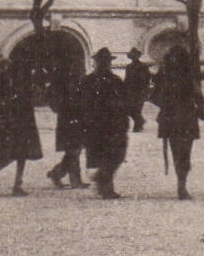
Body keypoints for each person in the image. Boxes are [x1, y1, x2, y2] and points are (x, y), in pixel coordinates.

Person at [0, 57, 43, 196]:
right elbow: (27, 98)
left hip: (13, 119)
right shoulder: (14, 80)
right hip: (19, 120)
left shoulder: (9, 78)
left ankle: (5, 179)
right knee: (19, 152)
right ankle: (9, 181)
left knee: (17, 152)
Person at [77, 47, 132, 199]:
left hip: (102, 124)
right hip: (106, 124)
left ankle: (104, 183)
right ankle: (106, 186)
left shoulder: (92, 81)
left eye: (105, 61)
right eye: (103, 61)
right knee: (111, 155)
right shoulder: (111, 81)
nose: (104, 64)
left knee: (110, 156)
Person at [151, 45, 202, 200]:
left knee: (176, 151)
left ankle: (181, 182)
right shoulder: (188, 75)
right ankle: (182, 184)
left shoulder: (165, 75)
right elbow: (198, 95)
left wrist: (166, 106)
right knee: (185, 151)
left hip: (170, 118)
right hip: (187, 117)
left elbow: (154, 96)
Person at [46, 58, 89, 189]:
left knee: (74, 150)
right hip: (69, 120)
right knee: (74, 150)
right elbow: (58, 101)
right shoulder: (68, 84)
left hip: (78, 120)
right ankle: (75, 180)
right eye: (80, 69)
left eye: (83, 69)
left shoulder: (81, 84)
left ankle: (56, 173)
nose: (83, 72)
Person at [124, 48, 151, 133]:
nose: (134, 57)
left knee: (137, 108)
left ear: (138, 56)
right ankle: (140, 121)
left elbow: (147, 78)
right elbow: (126, 79)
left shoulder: (143, 66)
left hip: (140, 91)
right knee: (130, 108)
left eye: (135, 55)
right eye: (132, 56)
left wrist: (145, 89)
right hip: (130, 91)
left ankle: (137, 126)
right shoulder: (128, 67)